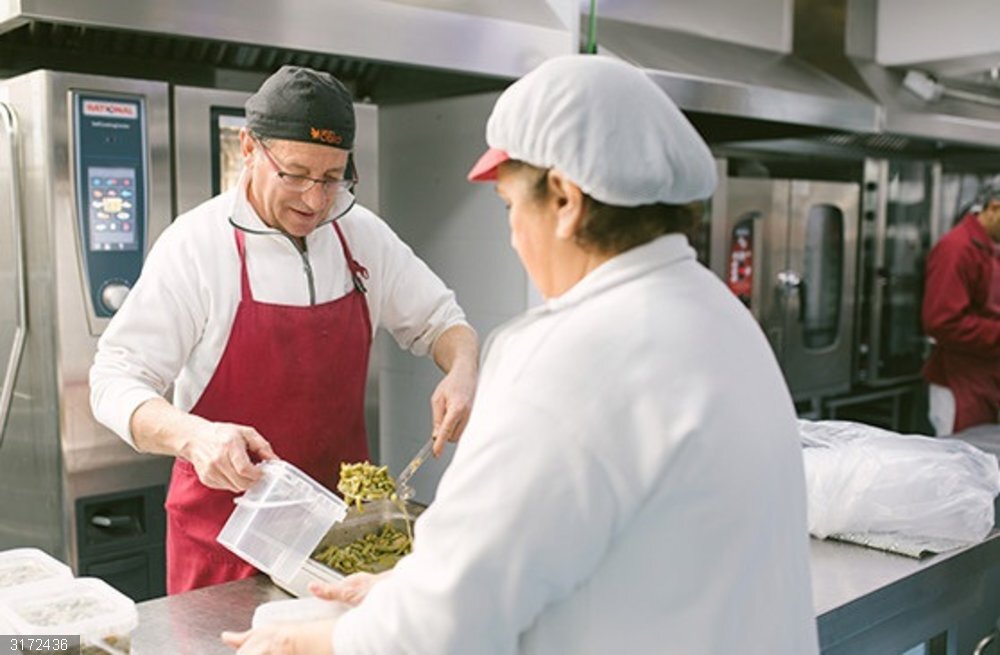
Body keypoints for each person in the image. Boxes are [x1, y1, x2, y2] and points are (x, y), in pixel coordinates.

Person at [223, 55, 818, 655]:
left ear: (564, 201)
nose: (513, 236)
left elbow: (443, 629)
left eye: (512, 208)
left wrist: (302, 645)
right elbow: (595, 547)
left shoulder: (570, 353)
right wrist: (412, 585)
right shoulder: (722, 319)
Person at [89, 66, 479, 594]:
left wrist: (462, 369)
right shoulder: (197, 246)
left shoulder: (360, 235)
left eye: (331, 178)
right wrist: (196, 435)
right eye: (294, 174)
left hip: (340, 544)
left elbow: (443, 322)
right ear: (249, 148)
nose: (314, 201)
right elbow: (113, 379)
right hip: (223, 548)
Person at [922, 184, 1000, 435]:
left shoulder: (990, 247)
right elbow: (943, 322)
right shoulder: (957, 248)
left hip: (985, 379)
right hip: (960, 381)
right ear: (994, 208)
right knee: (962, 463)